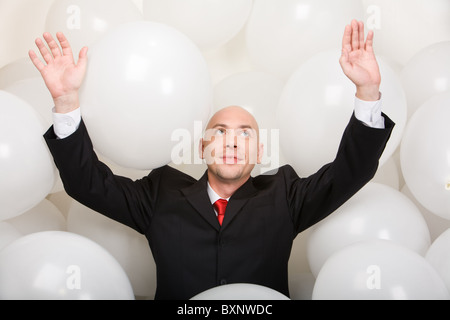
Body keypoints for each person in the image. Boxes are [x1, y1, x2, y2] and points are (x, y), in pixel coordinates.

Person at [29, 20, 394, 300]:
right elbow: (85, 182)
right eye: (220, 131)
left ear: (259, 152)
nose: (231, 140)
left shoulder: (285, 194)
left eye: (245, 133)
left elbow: (352, 170)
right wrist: (65, 101)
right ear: (202, 147)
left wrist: (367, 91)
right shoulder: (160, 194)